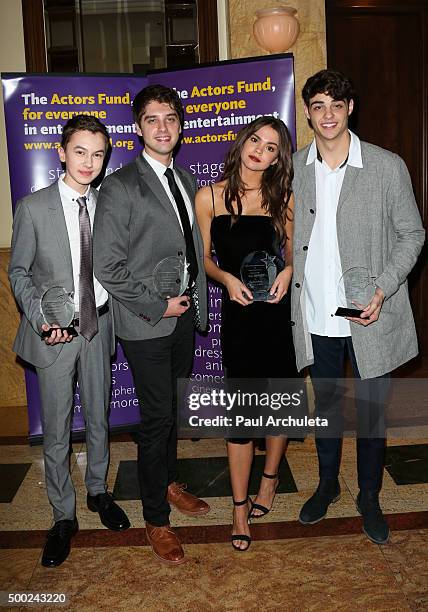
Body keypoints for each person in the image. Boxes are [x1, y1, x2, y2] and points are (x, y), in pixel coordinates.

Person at [291, 69, 425, 544]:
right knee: (326, 407)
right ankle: (327, 484)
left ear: (351, 108)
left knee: (371, 413)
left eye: (337, 105)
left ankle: (369, 494)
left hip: (372, 314)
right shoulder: (294, 168)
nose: (328, 114)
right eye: (319, 106)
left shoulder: (387, 166)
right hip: (317, 313)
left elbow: (413, 234)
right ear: (307, 112)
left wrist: (384, 288)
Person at [93, 84, 209, 566]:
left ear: (180, 126)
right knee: (156, 418)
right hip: (147, 323)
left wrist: (187, 305)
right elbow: (107, 265)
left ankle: (168, 482)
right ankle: (156, 519)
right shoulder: (122, 186)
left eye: (171, 118)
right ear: (138, 128)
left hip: (183, 318)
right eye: (153, 119)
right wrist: (157, 307)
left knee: (174, 411)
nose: (163, 127)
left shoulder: (183, 178)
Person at [9, 115, 130, 568]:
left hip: (98, 326)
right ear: (61, 152)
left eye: (98, 154)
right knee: (57, 429)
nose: (88, 162)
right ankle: (63, 516)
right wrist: (43, 316)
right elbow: (17, 272)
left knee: (100, 416)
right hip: (55, 334)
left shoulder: (108, 205)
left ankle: (98, 491)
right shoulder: (33, 208)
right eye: (79, 151)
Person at [196, 116, 297, 551]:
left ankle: (270, 480)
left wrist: (290, 268)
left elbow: (290, 247)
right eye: (256, 140)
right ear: (243, 142)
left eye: (272, 147)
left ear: (278, 158)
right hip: (238, 315)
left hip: (276, 312)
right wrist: (224, 278)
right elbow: (204, 259)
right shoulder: (210, 196)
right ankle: (239, 509)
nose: (261, 150)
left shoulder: (284, 197)